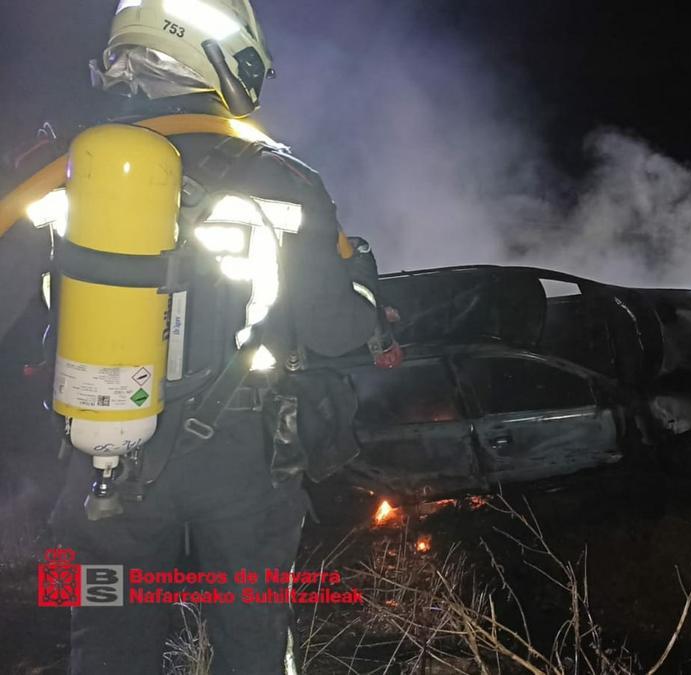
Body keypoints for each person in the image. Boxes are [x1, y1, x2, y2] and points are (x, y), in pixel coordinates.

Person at [0, 1, 395, 672]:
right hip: (245, 461)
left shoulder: (58, 170)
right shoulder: (285, 177)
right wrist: (369, 300)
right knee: (253, 642)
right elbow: (335, 332)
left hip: (103, 448)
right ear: (217, 56)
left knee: (107, 644)